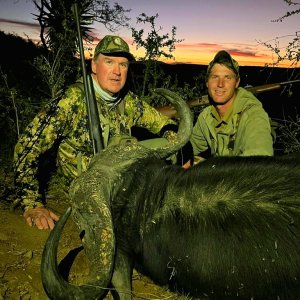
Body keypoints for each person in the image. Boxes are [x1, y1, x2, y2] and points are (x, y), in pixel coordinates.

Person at [13, 35, 177, 230]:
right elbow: (26, 148)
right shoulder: (72, 100)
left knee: (164, 151)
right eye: (109, 62)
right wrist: (32, 204)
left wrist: (177, 144)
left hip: (119, 181)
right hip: (86, 191)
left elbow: (161, 122)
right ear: (93, 66)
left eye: (123, 65)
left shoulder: (127, 100)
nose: (117, 71)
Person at [189, 50, 273, 163]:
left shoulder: (253, 116)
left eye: (227, 77)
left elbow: (258, 167)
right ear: (207, 82)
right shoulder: (206, 117)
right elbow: (187, 149)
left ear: (237, 82)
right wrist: (167, 128)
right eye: (215, 77)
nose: (220, 84)